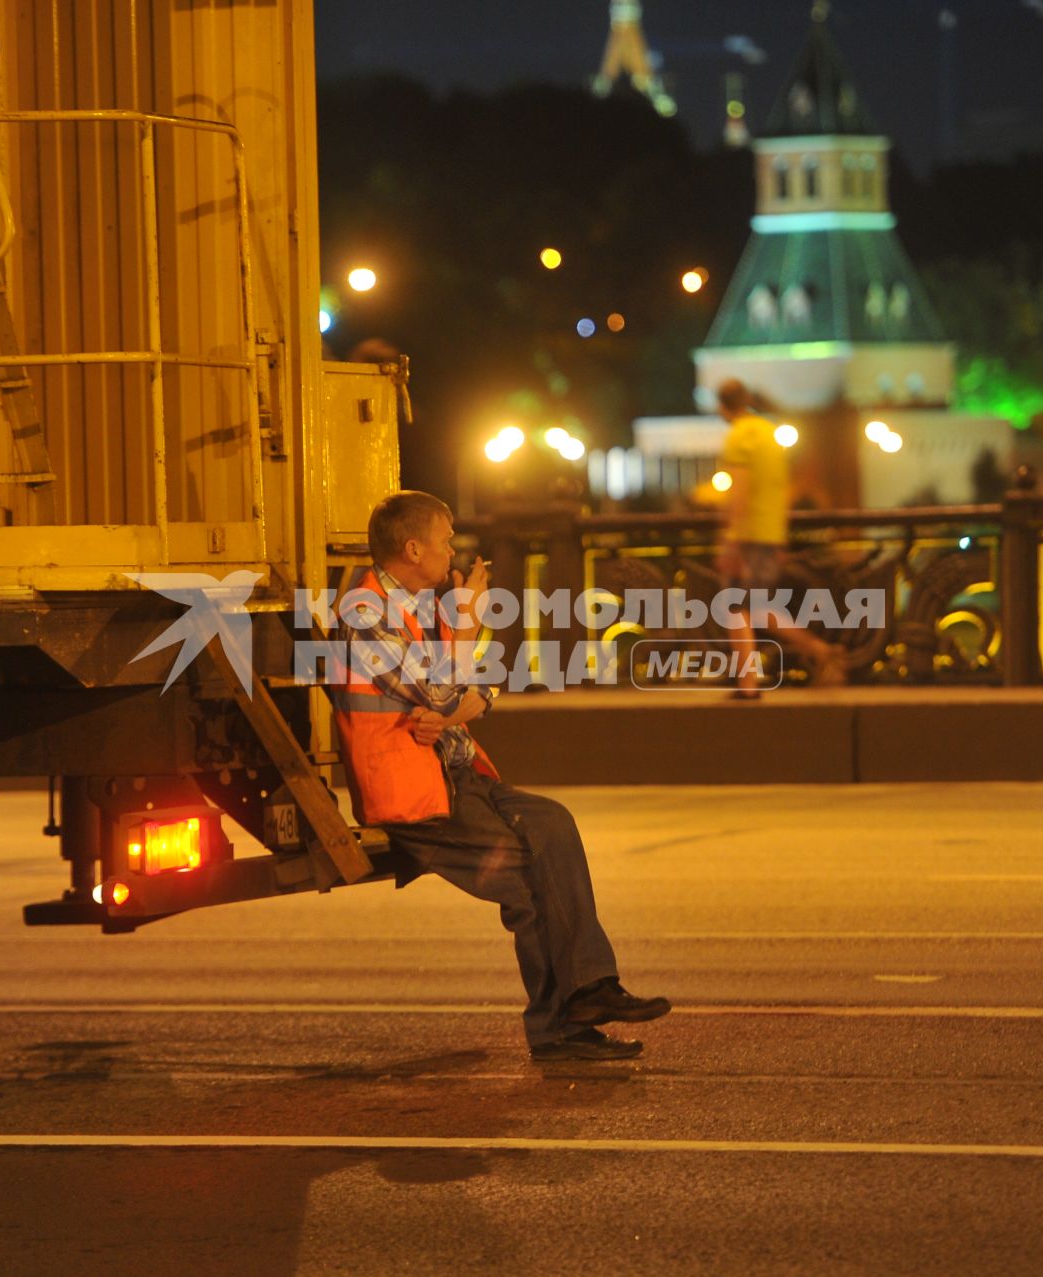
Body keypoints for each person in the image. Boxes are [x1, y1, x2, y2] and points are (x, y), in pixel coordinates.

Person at [333, 490, 671, 1061]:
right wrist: (462, 672)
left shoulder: (419, 606)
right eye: (445, 542)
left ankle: (588, 992)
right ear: (413, 548)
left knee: (554, 825)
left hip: (455, 772)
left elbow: (467, 692)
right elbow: (443, 691)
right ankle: (564, 1023)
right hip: (414, 793)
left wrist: (465, 696)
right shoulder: (366, 614)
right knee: (527, 880)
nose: (453, 554)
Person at [713, 378, 843, 698]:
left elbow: (739, 491)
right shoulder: (770, 435)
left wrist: (730, 539)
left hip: (748, 535)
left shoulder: (739, 437)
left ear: (722, 407)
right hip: (770, 534)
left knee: (734, 606)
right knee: (756, 607)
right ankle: (821, 650)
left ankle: (748, 684)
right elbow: (780, 489)